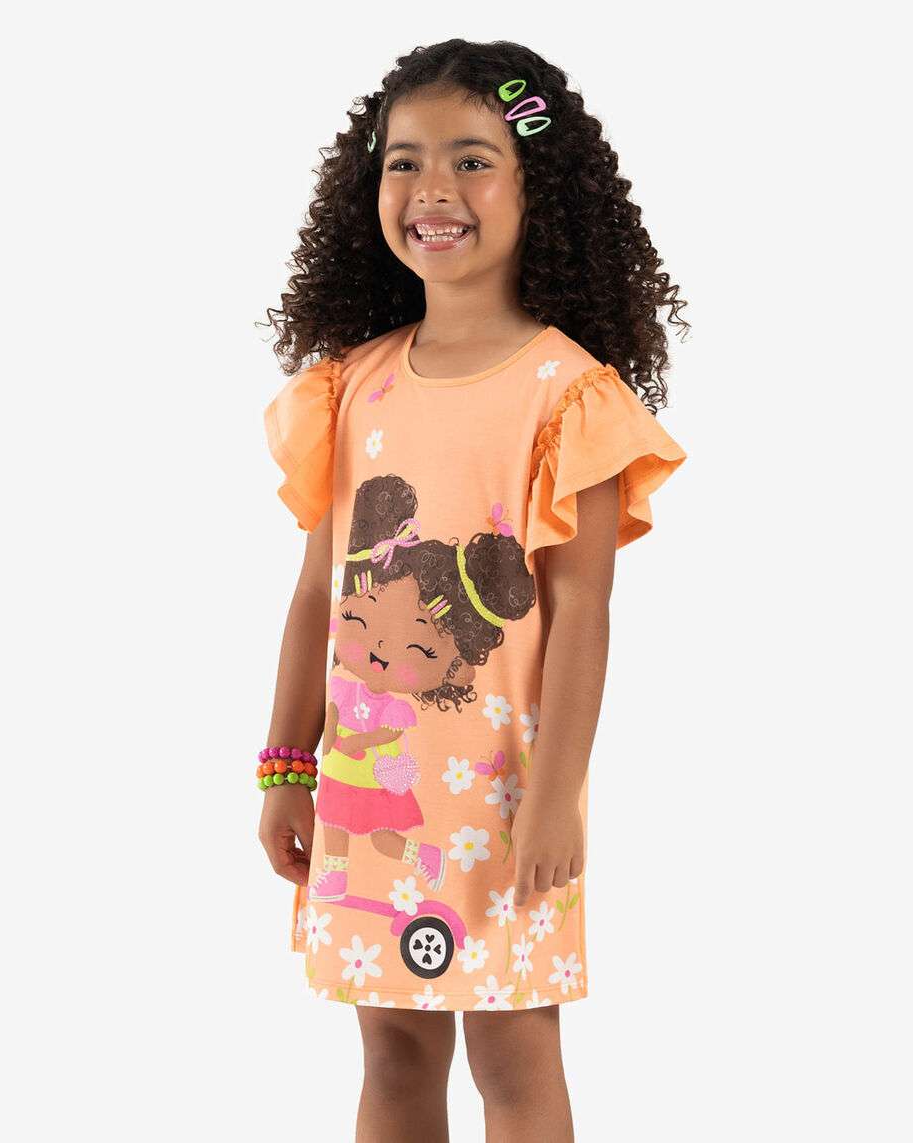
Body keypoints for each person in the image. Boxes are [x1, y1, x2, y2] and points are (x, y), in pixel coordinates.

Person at [256, 38, 689, 1143]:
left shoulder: (569, 395)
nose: (433, 189)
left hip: (505, 799)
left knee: (513, 1052)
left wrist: (555, 797)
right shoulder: (350, 388)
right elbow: (316, 596)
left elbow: (582, 612)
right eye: (404, 161)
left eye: (473, 160)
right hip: (366, 796)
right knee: (391, 1050)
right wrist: (287, 765)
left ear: (540, 189)